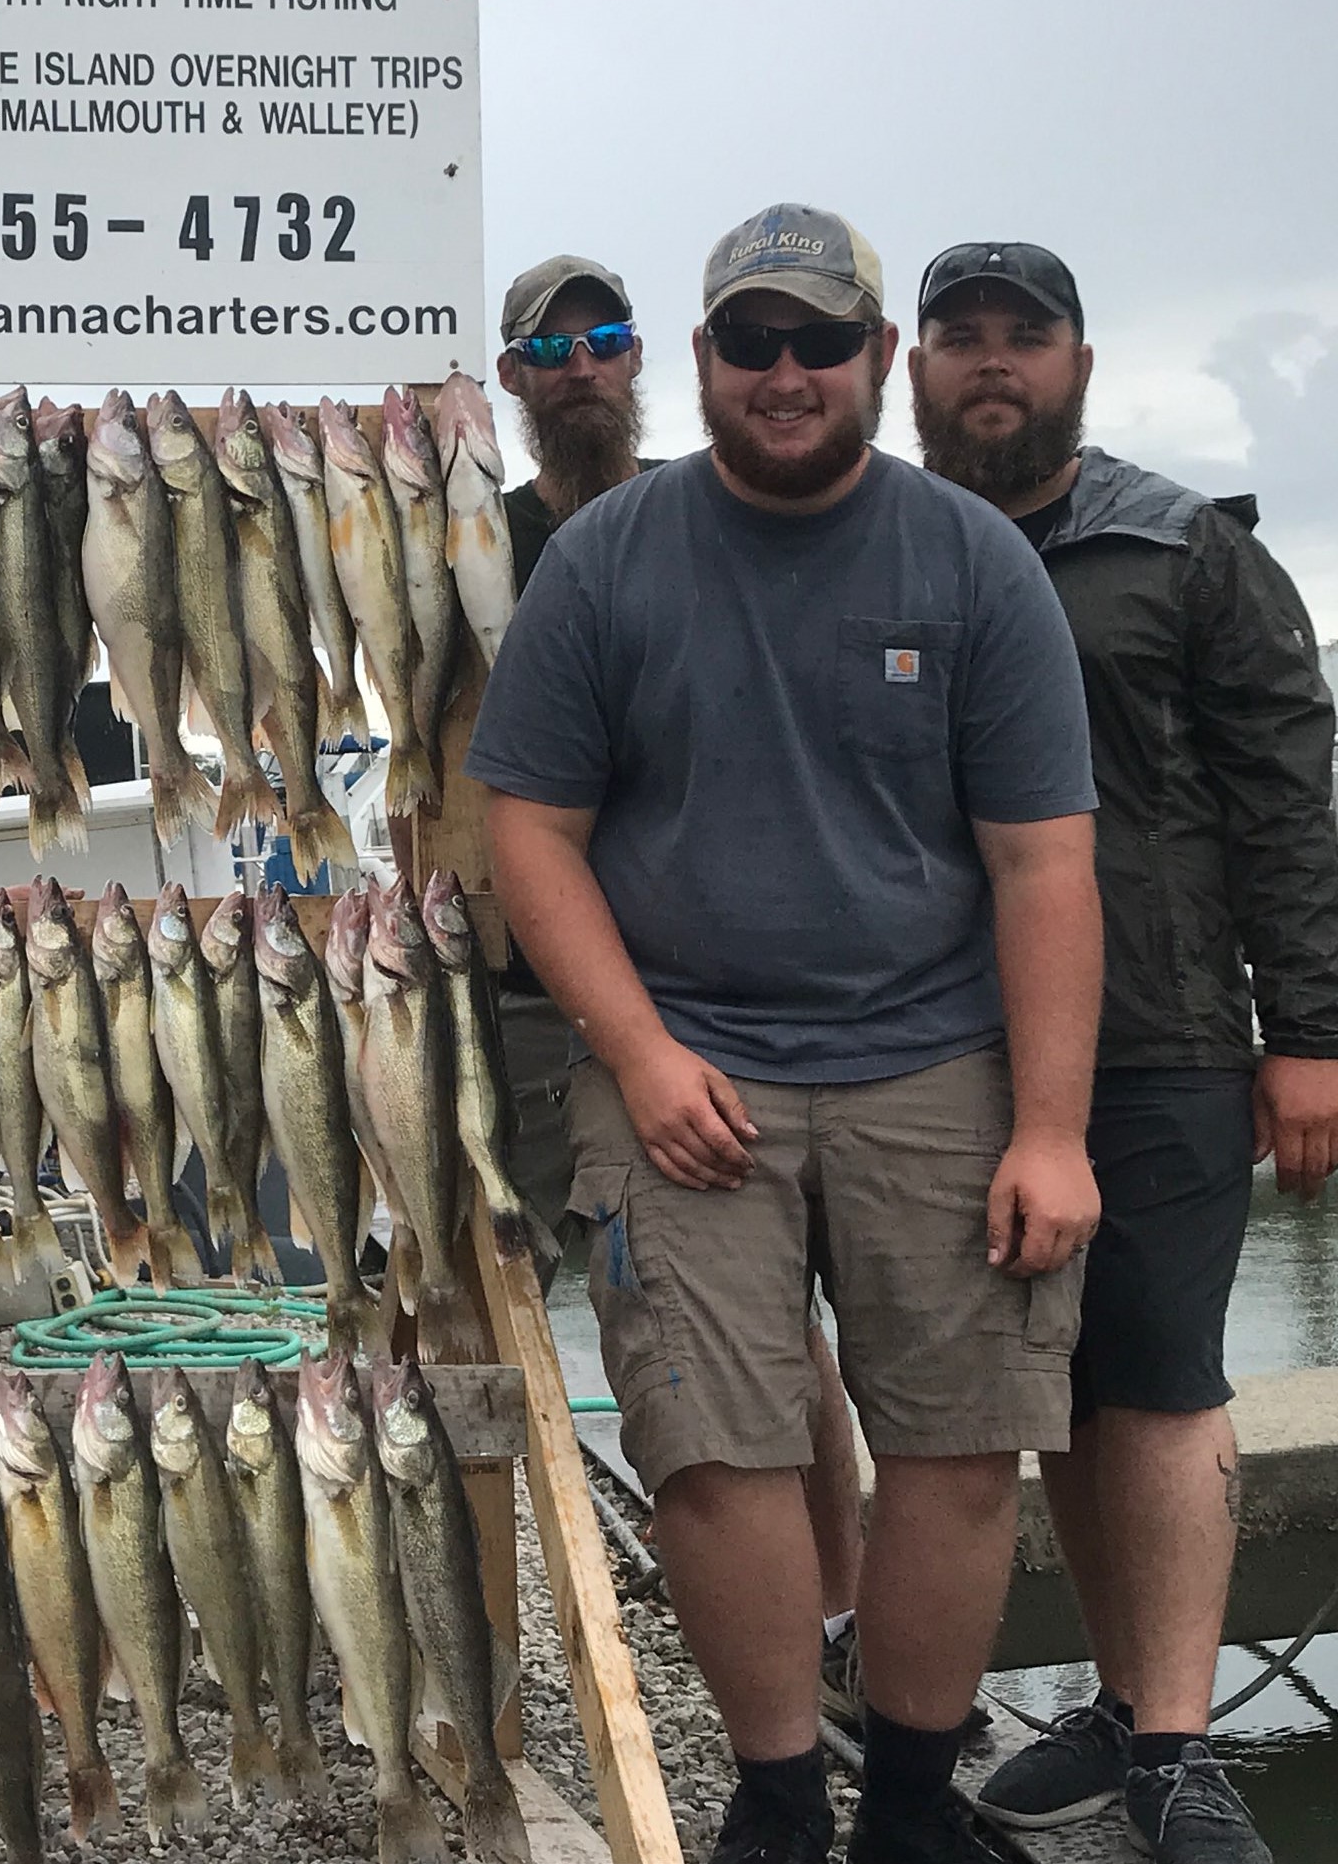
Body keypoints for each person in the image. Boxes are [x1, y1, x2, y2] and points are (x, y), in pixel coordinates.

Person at [468, 204, 1106, 1864]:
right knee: (707, 1450)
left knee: (960, 1446)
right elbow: (526, 829)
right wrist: (637, 1049)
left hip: (935, 1059)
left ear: (874, 361)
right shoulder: (603, 561)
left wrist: (1048, 1126)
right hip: (682, 1067)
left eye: (818, 340)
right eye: (748, 340)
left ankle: (904, 1802)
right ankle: (768, 1801)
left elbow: (1042, 862)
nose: (783, 370)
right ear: (700, 363)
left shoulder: (973, 564)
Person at [910, 241, 1338, 1863]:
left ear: (1079, 363)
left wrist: (1305, 1034)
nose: (988, 363)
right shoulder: (883, 545)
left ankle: (1173, 1744)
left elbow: (1280, 799)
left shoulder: (1184, 549)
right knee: (1056, 1385)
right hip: (942, 1043)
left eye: (1019, 336)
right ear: (910, 366)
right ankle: (1116, 1696)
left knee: (1159, 1377)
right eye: (955, 336)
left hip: (1163, 1029)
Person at [491, 254, 871, 1665]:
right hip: (529, 998)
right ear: (513, 376)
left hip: (717, 996)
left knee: (779, 1324)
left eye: (607, 338)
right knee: (522, 1297)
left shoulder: (716, 515)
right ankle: (503, 1627)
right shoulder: (480, 547)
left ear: (644, 357)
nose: (583, 363)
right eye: (552, 344)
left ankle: (836, 1609)